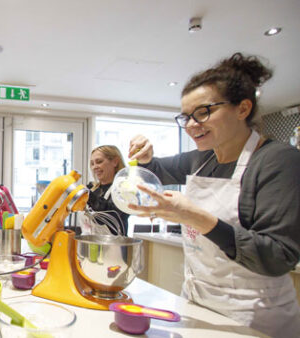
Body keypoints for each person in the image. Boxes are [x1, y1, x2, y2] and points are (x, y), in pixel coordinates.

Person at [128, 52, 300, 337]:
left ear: (243, 108)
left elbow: (278, 256)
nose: (192, 124)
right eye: (186, 117)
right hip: (198, 303)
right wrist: (145, 156)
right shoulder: (202, 159)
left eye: (203, 112)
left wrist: (197, 218)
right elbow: (156, 169)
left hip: (253, 316)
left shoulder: (277, 161)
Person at [85, 145, 129, 235]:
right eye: (92, 163)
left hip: (115, 245)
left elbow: (112, 217)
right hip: (91, 243)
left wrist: (91, 198)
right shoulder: (93, 189)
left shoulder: (124, 189)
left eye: (99, 162)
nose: (94, 167)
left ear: (115, 162)